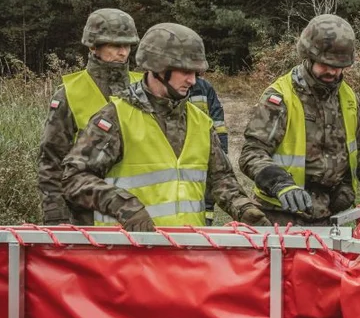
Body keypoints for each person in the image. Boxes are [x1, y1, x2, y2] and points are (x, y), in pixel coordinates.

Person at [62, 23, 266, 230]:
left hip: (186, 250)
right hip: (129, 252)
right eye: (185, 71)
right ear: (157, 67)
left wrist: (245, 209)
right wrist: (124, 206)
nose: (192, 80)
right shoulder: (115, 118)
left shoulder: (200, 122)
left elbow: (221, 179)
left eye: (196, 73)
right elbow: (75, 179)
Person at [241, 14, 360, 225]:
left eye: (338, 66)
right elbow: (252, 153)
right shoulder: (280, 97)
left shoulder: (349, 99)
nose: (331, 71)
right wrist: (281, 184)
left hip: (332, 216)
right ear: (308, 56)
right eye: (325, 63)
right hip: (281, 216)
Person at [37, 8, 143, 225]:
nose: (123, 53)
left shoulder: (142, 89)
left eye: (128, 45)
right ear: (94, 46)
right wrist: (56, 216)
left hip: (139, 215)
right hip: (86, 218)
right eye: (115, 45)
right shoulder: (69, 94)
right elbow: (51, 160)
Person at [188, 75, 228, 225]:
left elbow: (218, 121)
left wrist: (222, 152)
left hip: (203, 152)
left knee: (207, 197)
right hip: (182, 154)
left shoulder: (204, 87)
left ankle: (206, 224)